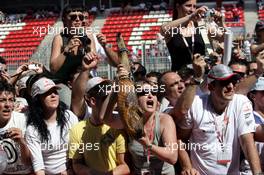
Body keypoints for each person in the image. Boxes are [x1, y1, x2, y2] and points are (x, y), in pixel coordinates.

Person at [176, 64, 263, 174]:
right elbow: (180, 139)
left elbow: (247, 140)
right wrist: (187, 167)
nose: (231, 86)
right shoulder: (196, 104)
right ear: (211, 87)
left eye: (233, 81)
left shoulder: (241, 102)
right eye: (224, 82)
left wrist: (257, 173)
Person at [101, 65, 178, 175]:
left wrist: (149, 145)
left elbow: (173, 157)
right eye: (144, 93)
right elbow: (105, 117)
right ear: (135, 100)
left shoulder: (164, 120)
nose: (150, 96)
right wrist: (116, 86)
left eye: (153, 93)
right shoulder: (130, 120)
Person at [68, 77, 130, 174]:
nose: (112, 103)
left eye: (113, 97)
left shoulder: (118, 126)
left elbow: (125, 165)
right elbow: (76, 164)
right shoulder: (77, 129)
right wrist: (92, 173)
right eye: (107, 98)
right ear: (92, 101)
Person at [49, 5, 119, 84]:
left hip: (85, 79)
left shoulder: (89, 36)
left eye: (81, 17)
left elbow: (95, 61)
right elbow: (53, 69)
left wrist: (103, 47)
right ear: (64, 20)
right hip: (64, 82)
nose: (78, 20)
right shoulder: (59, 38)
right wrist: (67, 49)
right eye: (73, 17)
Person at [25, 77, 79, 174]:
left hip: (73, 169)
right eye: (47, 93)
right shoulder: (32, 129)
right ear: (38, 99)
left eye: (55, 91)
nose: (53, 95)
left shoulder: (69, 116)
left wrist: (71, 169)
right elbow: (38, 167)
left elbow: (79, 147)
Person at [160, 0, 224, 71]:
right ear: (177, 6)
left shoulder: (203, 26)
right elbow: (163, 30)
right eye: (188, 6)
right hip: (180, 77)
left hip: (202, 76)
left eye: (194, 6)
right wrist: (190, 17)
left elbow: (224, 39)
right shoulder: (171, 27)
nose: (192, 10)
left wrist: (221, 23)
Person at [0, 81, 32, 174]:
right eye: (2, 100)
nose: (8, 105)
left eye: (11, 100)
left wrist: (22, 142)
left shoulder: (24, 120)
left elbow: (30, 161)